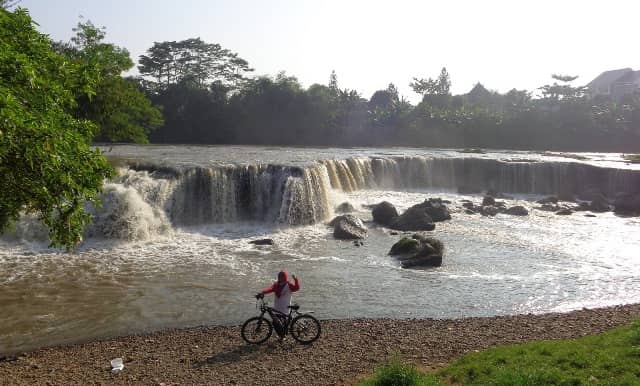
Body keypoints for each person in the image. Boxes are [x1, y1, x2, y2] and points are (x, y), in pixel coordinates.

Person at [256, 270, 300, 336]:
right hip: (277, 308)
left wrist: (296, 279)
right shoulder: (276, 285)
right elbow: (270, 289)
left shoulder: (289, 285)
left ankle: (283, 336)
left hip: (285, 308)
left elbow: (297, 288)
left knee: (282, 323)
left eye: (282, 276)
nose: (280, 277)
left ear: (285, 277)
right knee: (275, 322)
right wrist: (262, 292)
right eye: (279, 276)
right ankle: (282, 335)